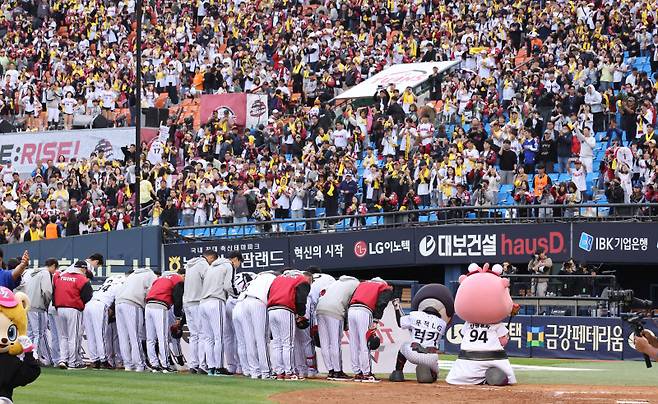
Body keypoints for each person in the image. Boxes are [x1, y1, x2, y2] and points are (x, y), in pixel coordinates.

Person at [200, 251, 243, 376]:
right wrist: (238, 295)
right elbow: (228, 286)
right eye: (239, 262)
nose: (238, 265)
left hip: (203, 303)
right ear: (235, 259)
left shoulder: (211, 267)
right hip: (215, 301)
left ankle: (211, 368)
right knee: (219, 337)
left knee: (208, 338)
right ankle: (218, 367)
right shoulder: (228, 265)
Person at [267, 270, 312, 380]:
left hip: (271, 310)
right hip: (285, 309)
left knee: (277, 343)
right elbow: (301, 299)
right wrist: (300, 314)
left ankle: (279, 372)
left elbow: (268, 294)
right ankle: (289, 372)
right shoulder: (302, 279)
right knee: (288, 343)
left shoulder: (277, 279)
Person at [347, 278, 394, 382]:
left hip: (351, 310)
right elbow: (382, 303)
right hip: (364, 310)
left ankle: (357, 372)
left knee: (354, 343)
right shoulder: (383, 286)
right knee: (365, 343)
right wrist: (376, 320)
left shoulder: (362, 284)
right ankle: (367, 374)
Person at [315, 275, 360, 381]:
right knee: (335, 342)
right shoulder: (356, 285)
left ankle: (330, 370)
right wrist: (347, 324)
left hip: (320, 308)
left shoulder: (336, 282)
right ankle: (337, 371)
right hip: (335, 310)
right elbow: (351, 305)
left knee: (324, 342)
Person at [16, 258, 59, 366]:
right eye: (55, 269)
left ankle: (24, 356)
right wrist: (46, 304)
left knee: (29, 333)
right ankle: (34, 356)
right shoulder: (45, 273)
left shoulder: (30, 271)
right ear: (53, 266)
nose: (54, 272)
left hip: (26, 305)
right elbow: (47, 291)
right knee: (39, 333)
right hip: (37, 306)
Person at [52, 260, 93, 370]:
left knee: (63, 336)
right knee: (73, 336)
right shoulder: (82, 279)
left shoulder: (61, 276)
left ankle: (63, 359)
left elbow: (54, 291)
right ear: (83, 269)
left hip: (60, 309)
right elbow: (88, 296)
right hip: (73, 309)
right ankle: (73, 362)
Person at [115, 267, 157, 372]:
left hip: (118, 303)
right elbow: (151, 292)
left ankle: (128, 365)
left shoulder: (133, 275)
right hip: (132, 303)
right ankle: (140, 365)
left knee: (123, 336)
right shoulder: (151, 275)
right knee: (135, 336)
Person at [182, 250, 217, 374]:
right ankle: (202, 365)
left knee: (194, 336)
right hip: (197, 302)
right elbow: (210, 281)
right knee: (202, 334)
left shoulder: (189, 264)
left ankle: (193, 365)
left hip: (187, 302)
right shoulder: (203, 264)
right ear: (211, 258)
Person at [144, 268, 184, 373]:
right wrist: (178, 317)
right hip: (160, 305)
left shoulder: (160, 278)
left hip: (148, 305)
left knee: (150, 338)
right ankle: (166, 365)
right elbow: (177, 299)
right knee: (163, 337)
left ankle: (154, 365)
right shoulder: (178, 280)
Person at [83, 274, 126, 369]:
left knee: (91, 334)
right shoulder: (122, 283)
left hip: (89, 304)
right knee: (101, 334)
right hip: (100, 304)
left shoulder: (110, 280)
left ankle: (95, 360)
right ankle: (103, 360)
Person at [242, 271, 279, 379]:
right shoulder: (274, 278)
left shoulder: (260, 277)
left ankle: (254, 371)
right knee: (262, 339)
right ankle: (266, 372)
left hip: (244, 302)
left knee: (250, 340)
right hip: (258, 303)